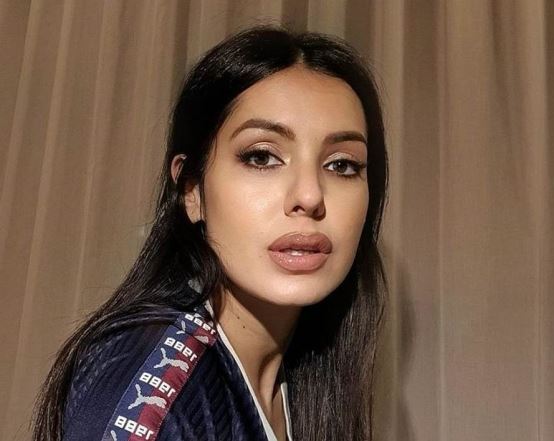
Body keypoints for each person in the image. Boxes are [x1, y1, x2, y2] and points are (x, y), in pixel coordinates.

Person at [32, 25, 389, 441]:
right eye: (262, 157)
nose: (309, 196)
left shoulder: (299, 383)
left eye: (342, 165)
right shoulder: (153, 386)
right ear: (192, 190)